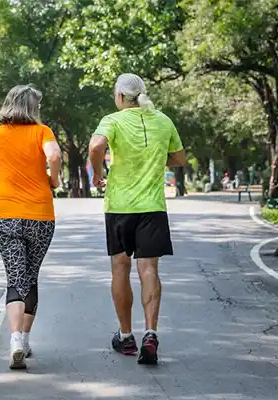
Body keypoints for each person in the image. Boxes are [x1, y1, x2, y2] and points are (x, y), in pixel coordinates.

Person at [88, 73, 185, 365]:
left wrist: (97, 173)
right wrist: (155, 159)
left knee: (120, 268)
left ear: (119, 97)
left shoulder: (113, 120)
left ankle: (126, 337)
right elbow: (179, 159)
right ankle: (151, 333)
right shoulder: (163, 120)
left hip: (119, 207)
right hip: (152, 208)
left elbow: (95, 147)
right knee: (149, 269)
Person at [0, 84, 62, 370]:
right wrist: (54, 180)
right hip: (41, 216)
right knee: (31, 275)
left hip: (6, 217)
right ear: (33, 108)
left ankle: (15, 339)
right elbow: (53, 156)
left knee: (15, 277)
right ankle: (25, 340)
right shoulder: (43, 132)